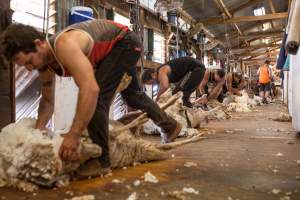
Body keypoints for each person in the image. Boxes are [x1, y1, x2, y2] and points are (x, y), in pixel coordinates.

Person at [0, 19, 181, 174]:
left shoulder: (64, 45)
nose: (30, 68)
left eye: (29, 62)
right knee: (132, 96)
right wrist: (39, 127)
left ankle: (101, 160)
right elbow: (47, 99)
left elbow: (90, 89)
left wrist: (74, 135)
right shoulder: (44, 64)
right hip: (115, 48)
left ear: (39, 44)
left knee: (98, 97)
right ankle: (170, 125)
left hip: (124, 42)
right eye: (25, 66)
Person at [141, 57, 206, 108]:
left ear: (153, 75)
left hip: (195, 69)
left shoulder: (161, 71)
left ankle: (188, 117)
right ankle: (187, 112)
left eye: (152, 83)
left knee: (180, 96)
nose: (154, 84)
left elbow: (164, 86)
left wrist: (157, 99)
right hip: (195, 70)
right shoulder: (161, 73)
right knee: (177, 94)